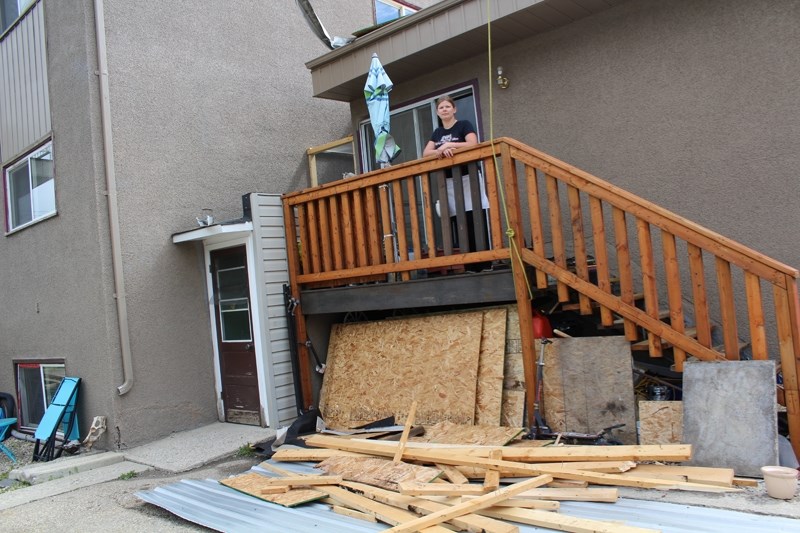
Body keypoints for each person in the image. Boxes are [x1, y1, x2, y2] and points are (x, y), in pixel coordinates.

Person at [423, 96, 489, 266]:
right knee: (458, 223)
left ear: (454, 109)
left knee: (475, 220)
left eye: (447, 106)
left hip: (469, 179)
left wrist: (448, 146)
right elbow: (426, 153)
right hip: (450, 183)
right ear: (438, 112)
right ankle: (469, 265)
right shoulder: (437, 132)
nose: (444, 109)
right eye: (441, 108)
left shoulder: (463, 125)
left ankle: (485, 263)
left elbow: (473, 143)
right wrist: (440, 150)